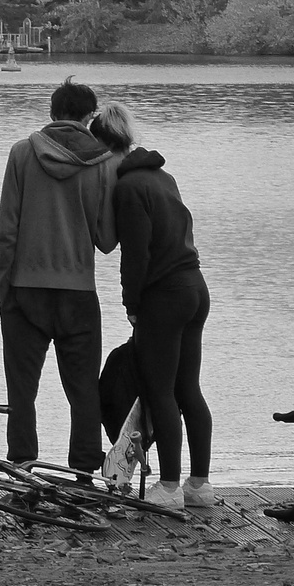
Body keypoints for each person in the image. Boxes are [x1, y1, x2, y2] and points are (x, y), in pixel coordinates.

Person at [87, 102, 214, 512]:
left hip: (164, 296)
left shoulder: (127, 189)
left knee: (160, 391)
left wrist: (132, 303)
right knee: (188, 388)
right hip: (195, 288)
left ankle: (170, 488)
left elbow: (135, 255)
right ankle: (199, 485)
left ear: (107, 148)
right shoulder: (163, 177)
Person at [0, 76, 118, 475]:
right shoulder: (103, 163)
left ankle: (22, 466)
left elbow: (7, 229)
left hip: (25, 290)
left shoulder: (22, 153)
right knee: (83, 391)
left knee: (22, 390)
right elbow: (106, 240)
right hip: (78, 292)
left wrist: (3, 289)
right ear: (89, 117)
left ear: (52, 113)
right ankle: (83, 470)